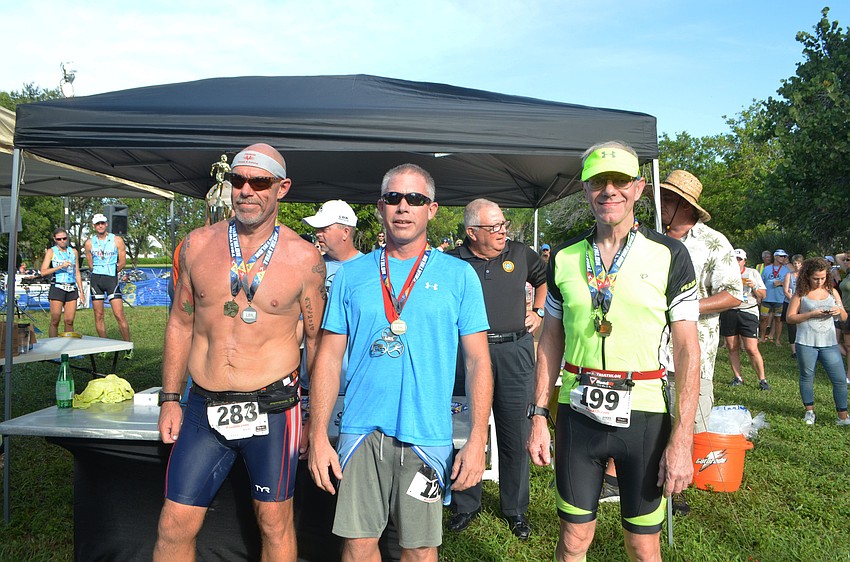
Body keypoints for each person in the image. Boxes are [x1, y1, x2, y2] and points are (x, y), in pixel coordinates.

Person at [307, 163, 493, 562]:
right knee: (357, 547)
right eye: (394, 198)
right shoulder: (351, 276)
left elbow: (478, 360)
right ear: (380, 207)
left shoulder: (459, 275)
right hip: (360, 431)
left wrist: (477, 439)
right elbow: (327, 358)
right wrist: (318, 434)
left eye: (415, 199)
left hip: (426, 434)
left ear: (432, 209)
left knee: (420, 551)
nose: (403, 207)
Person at [527, 141, 700, 562]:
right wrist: (537, 414)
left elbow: (687, 350)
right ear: (585, 190)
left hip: (643, 413)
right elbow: (551, 337)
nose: (610, 191)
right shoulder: (565, 255)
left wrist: (683, 437)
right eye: (598, 182)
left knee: (643, 546)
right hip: (576, 408)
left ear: (639, 188)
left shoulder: (670, 255)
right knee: (572, 540)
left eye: (620, 181)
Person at [153, 143, 326, 562]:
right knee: (174, 523)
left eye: (260, 182)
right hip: (202, 405)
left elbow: (319, 344)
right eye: (238, 180)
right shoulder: (196, 245)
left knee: (274, 522)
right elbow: (180, 323)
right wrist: (170, 398)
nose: (246, 190)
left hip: (273, 406)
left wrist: (314, 421)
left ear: (282, 188)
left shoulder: (305, 259)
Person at [446, 199, 546, 539]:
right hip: (469, 355)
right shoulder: (451, 262)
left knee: (515, 430)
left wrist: (540, 310)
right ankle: (465, 504)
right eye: (494, 227)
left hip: (515, 351)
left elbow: (545, 277)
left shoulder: (520, 253)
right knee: (465, 427)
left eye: (504, 225)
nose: (503, 231)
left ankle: (515, 509)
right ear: (472, 233)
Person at [659, 169, 742, 432]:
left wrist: (685, 307)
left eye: (667, 199)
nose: (659, 204)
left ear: (685, 206)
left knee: (687, 440)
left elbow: (733, 295)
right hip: (645, 361)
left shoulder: (714, 242)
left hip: (688, 362)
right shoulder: (648, 239)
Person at [300, 199, 364, 393]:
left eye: (324, 228)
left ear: (346, 232)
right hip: (311, 383)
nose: (317, 234)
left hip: (354, 386)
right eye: (316, 229)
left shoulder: (370, 270)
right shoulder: (310, 267)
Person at [786, 257, 849, 426]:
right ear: (807, 276)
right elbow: (790, 318)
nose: (819, 281)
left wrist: (838, 310)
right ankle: (809, 412)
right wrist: (811, 314)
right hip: (806, 341)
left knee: (840, 379)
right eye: (816, 278)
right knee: (807, 376)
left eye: (822, 278)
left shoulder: (832, 291)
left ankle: (842, 416)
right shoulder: (801, 293)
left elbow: (844, 318)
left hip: (829, 343)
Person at [84, 213, 132, 358]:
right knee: (98, 315)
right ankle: (103, 346)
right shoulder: (89, 243)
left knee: (119, 314)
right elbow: (90, 262)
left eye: (102, 223)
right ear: (93, 226)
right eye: (97, 224)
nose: (100, 226)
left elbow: (123, 261)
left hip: (111, 278)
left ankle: (128, 347)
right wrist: (99, 272)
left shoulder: (117, 240)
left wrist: (112, 272)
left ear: (106, 224)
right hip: (96, 279)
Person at [723, 249, 770, 389]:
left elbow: (763, 295)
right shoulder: (725, 273)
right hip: (729, 311)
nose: (736, 262)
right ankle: (737, 377)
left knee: (751, 348)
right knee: (732, 346)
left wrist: (754, 286)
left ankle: (762, 379)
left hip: (748, 311)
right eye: (734, 259)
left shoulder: (752, 273)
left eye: (739, 259)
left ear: (744, 261)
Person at [39, 228, 84, 337]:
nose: (62, 241)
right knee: (55, 319)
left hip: (71, 288)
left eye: (64, 238)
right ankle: (54, 346)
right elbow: (43, 272)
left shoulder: (73, 252)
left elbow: (77, 272)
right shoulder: (51, 251)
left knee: (69, 320)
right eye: (59, 239)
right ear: (55, 239)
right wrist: (60, 266)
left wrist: (81, 291)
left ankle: (68, 347)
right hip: (58, 287)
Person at [760, 249, 790, 344]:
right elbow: (761, 283)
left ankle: (777, 340)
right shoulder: (766, 269)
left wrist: (781, 283)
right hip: (766, 298)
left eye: (784, 256)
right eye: (781, 256)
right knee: (763, 318)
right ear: (775, 257)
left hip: (780, 299)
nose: (783, 258)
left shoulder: (786, 270)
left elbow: (789, 284)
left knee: (778, 320)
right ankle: (762, 337)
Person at [782, 254, 804, 358]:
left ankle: (803, 348)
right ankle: (794, 351)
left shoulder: (805, 276)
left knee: (803, 326)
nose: (797, 265)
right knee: (792, 327)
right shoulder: (788, 275)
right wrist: (793, 300)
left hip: (803, 304)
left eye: (799, 263)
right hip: (790, 302)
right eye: (795, 263)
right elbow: (786, 290)